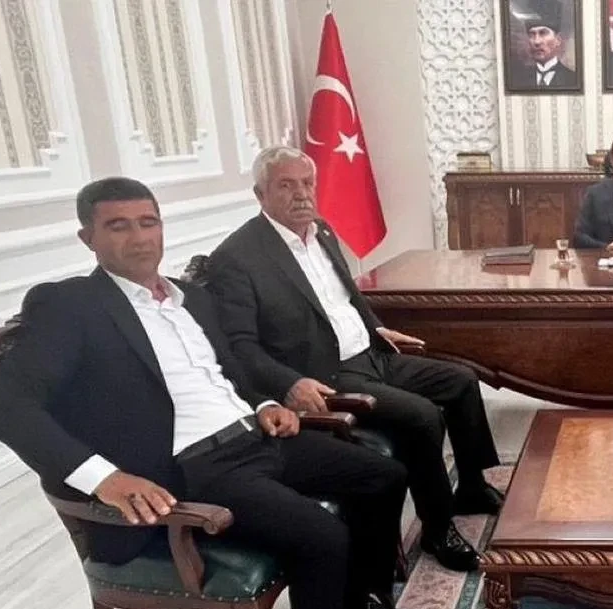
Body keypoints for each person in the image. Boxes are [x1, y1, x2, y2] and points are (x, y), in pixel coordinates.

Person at [0, 177, 426, 609]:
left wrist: (263, 403)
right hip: (190, 467)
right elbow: (6, 405)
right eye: (118, 226)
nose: (139, 237)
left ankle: (359, 600)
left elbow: (228, 371)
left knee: (382, 474)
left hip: (253, 437)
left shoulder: (190, 297)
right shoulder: (70, 306)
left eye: (148, 222)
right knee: (321, 533)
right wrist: (104, 477)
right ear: (88, 238)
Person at [206, 146, 503, 574]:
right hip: (325, 374)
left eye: (307, 183)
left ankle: (471, 486)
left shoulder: (322, 232)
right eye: (286, 185)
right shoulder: (237, 258)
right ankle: (438, 528)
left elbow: (346, 298)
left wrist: (377, 328)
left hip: (371, 354)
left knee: (461, 380)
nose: (301, 194)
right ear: (260, 194)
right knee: (421, 416)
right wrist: (289, 383)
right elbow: (239, 347)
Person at [508, 0, 578, 89]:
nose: (536, 42)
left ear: (558, 40)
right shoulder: (518, 80)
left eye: (543, 33)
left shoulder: (572, 79)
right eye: (532, 34)